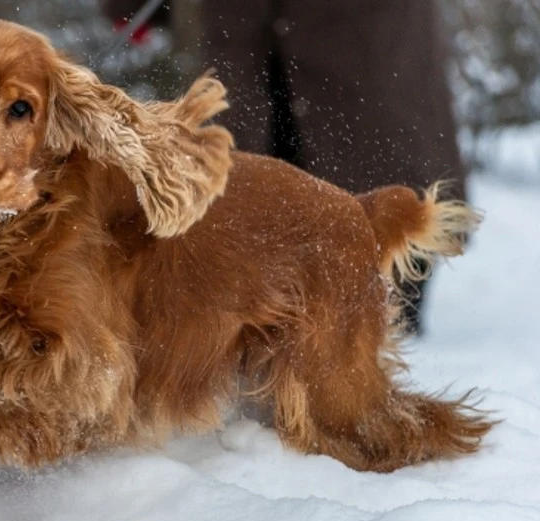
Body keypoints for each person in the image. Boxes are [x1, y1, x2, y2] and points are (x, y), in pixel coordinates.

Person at [103, 0, 466, 335]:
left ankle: (390, 307)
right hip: (249, 35)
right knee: (245, 215)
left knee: (382, 201)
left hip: (362, 34)